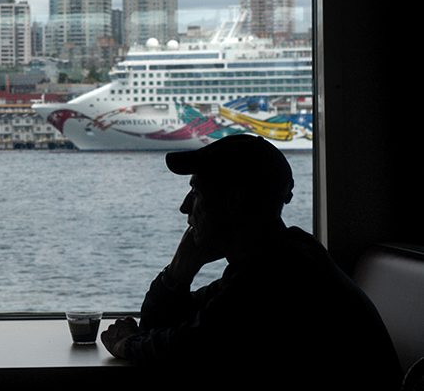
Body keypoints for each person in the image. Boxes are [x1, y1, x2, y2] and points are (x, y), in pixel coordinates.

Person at [101, 134, 401, 389]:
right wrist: (180, 270)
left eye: (196, 192)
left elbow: (191, 349)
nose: (184, 207)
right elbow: (165, 325)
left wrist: (127, 345)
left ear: (234, 201)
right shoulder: (269, 260)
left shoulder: (280, 273)